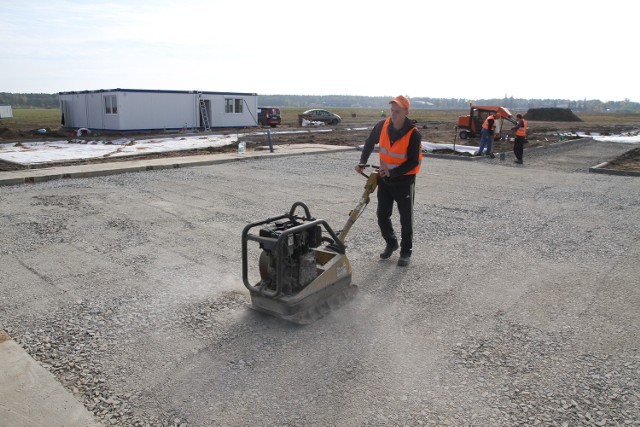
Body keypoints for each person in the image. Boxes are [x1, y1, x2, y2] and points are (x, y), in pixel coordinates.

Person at [355, 95, 423, 267]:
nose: (393, 114)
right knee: (382, 215)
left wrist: (393, 172)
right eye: (392, 110)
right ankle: (391, 243)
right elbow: (370, 142)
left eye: (397, 111)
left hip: (404, 182)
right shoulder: (383, 126)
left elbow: (414, 162)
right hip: (385, 180)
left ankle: (406, 252)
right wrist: (363, 161)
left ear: (406, 112)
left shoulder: (413, 134)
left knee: (406, 218)